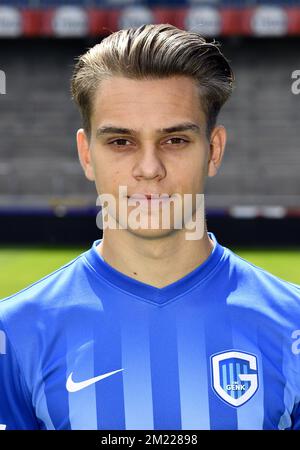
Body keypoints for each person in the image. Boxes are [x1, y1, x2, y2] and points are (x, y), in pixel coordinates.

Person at [0, 23, 300, 431]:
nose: (149, 169)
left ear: (213, 151)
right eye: (121, 142)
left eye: (175, 140)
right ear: (87, 155)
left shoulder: (292, 326)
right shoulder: (15, 334)